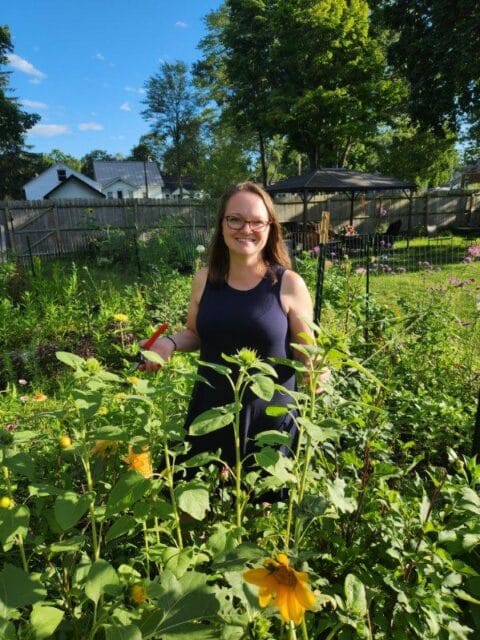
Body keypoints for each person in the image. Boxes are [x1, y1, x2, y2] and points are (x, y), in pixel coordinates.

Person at [141, 181, 313, 470]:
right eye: (235, 219)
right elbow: (195, 333)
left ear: (271, 227)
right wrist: (167, 343)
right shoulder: (204, 279)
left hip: (270, 419)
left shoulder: (288, 284)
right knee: (188, 502)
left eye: (257, 222)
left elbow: (307, 351)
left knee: (261, 509)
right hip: (211, 411)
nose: (246, 229)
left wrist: (317, 372)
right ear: (221, 225)